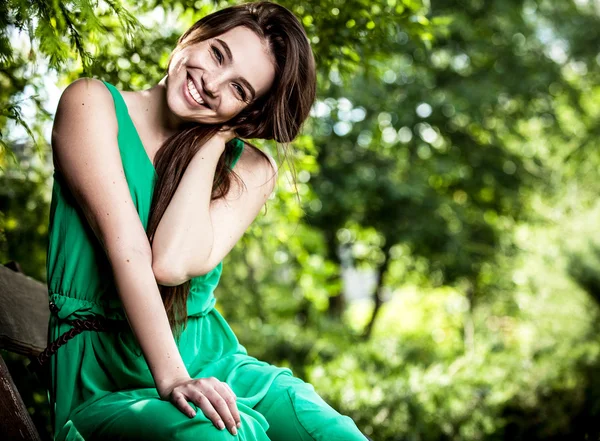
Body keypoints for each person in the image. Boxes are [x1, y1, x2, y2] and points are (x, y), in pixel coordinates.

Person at [43, 1, 369, 440]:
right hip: (108, 376)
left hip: (215, 362)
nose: (212, 83)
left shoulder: (250, 169)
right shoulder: (90, 104)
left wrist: (215, 139)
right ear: (193, 35)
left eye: (240, 90)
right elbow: (132, 251)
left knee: (334, 433)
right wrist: (175, 380)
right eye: (218, 54)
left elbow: (172, 260)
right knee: (214, 435)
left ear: (249, 114)